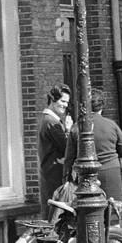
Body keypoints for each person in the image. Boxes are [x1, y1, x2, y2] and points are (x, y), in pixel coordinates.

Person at [63, 86, 122, 208]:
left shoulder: (77, 127)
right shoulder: (112, 125)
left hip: (86, 177)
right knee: (114, 210)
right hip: (111, 172)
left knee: (90, 213)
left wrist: (67, 180)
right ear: (102, 105)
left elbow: (69, 159)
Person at [37, 85, 74, 219]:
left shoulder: (48, 120)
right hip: (54, 175)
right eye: (63, 101)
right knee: (54, 215)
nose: (65, 105)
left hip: (50, 174)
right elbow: (67, 148)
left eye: (67, 102)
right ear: (53, 100)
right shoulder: (52, 122)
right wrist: (69, 130)